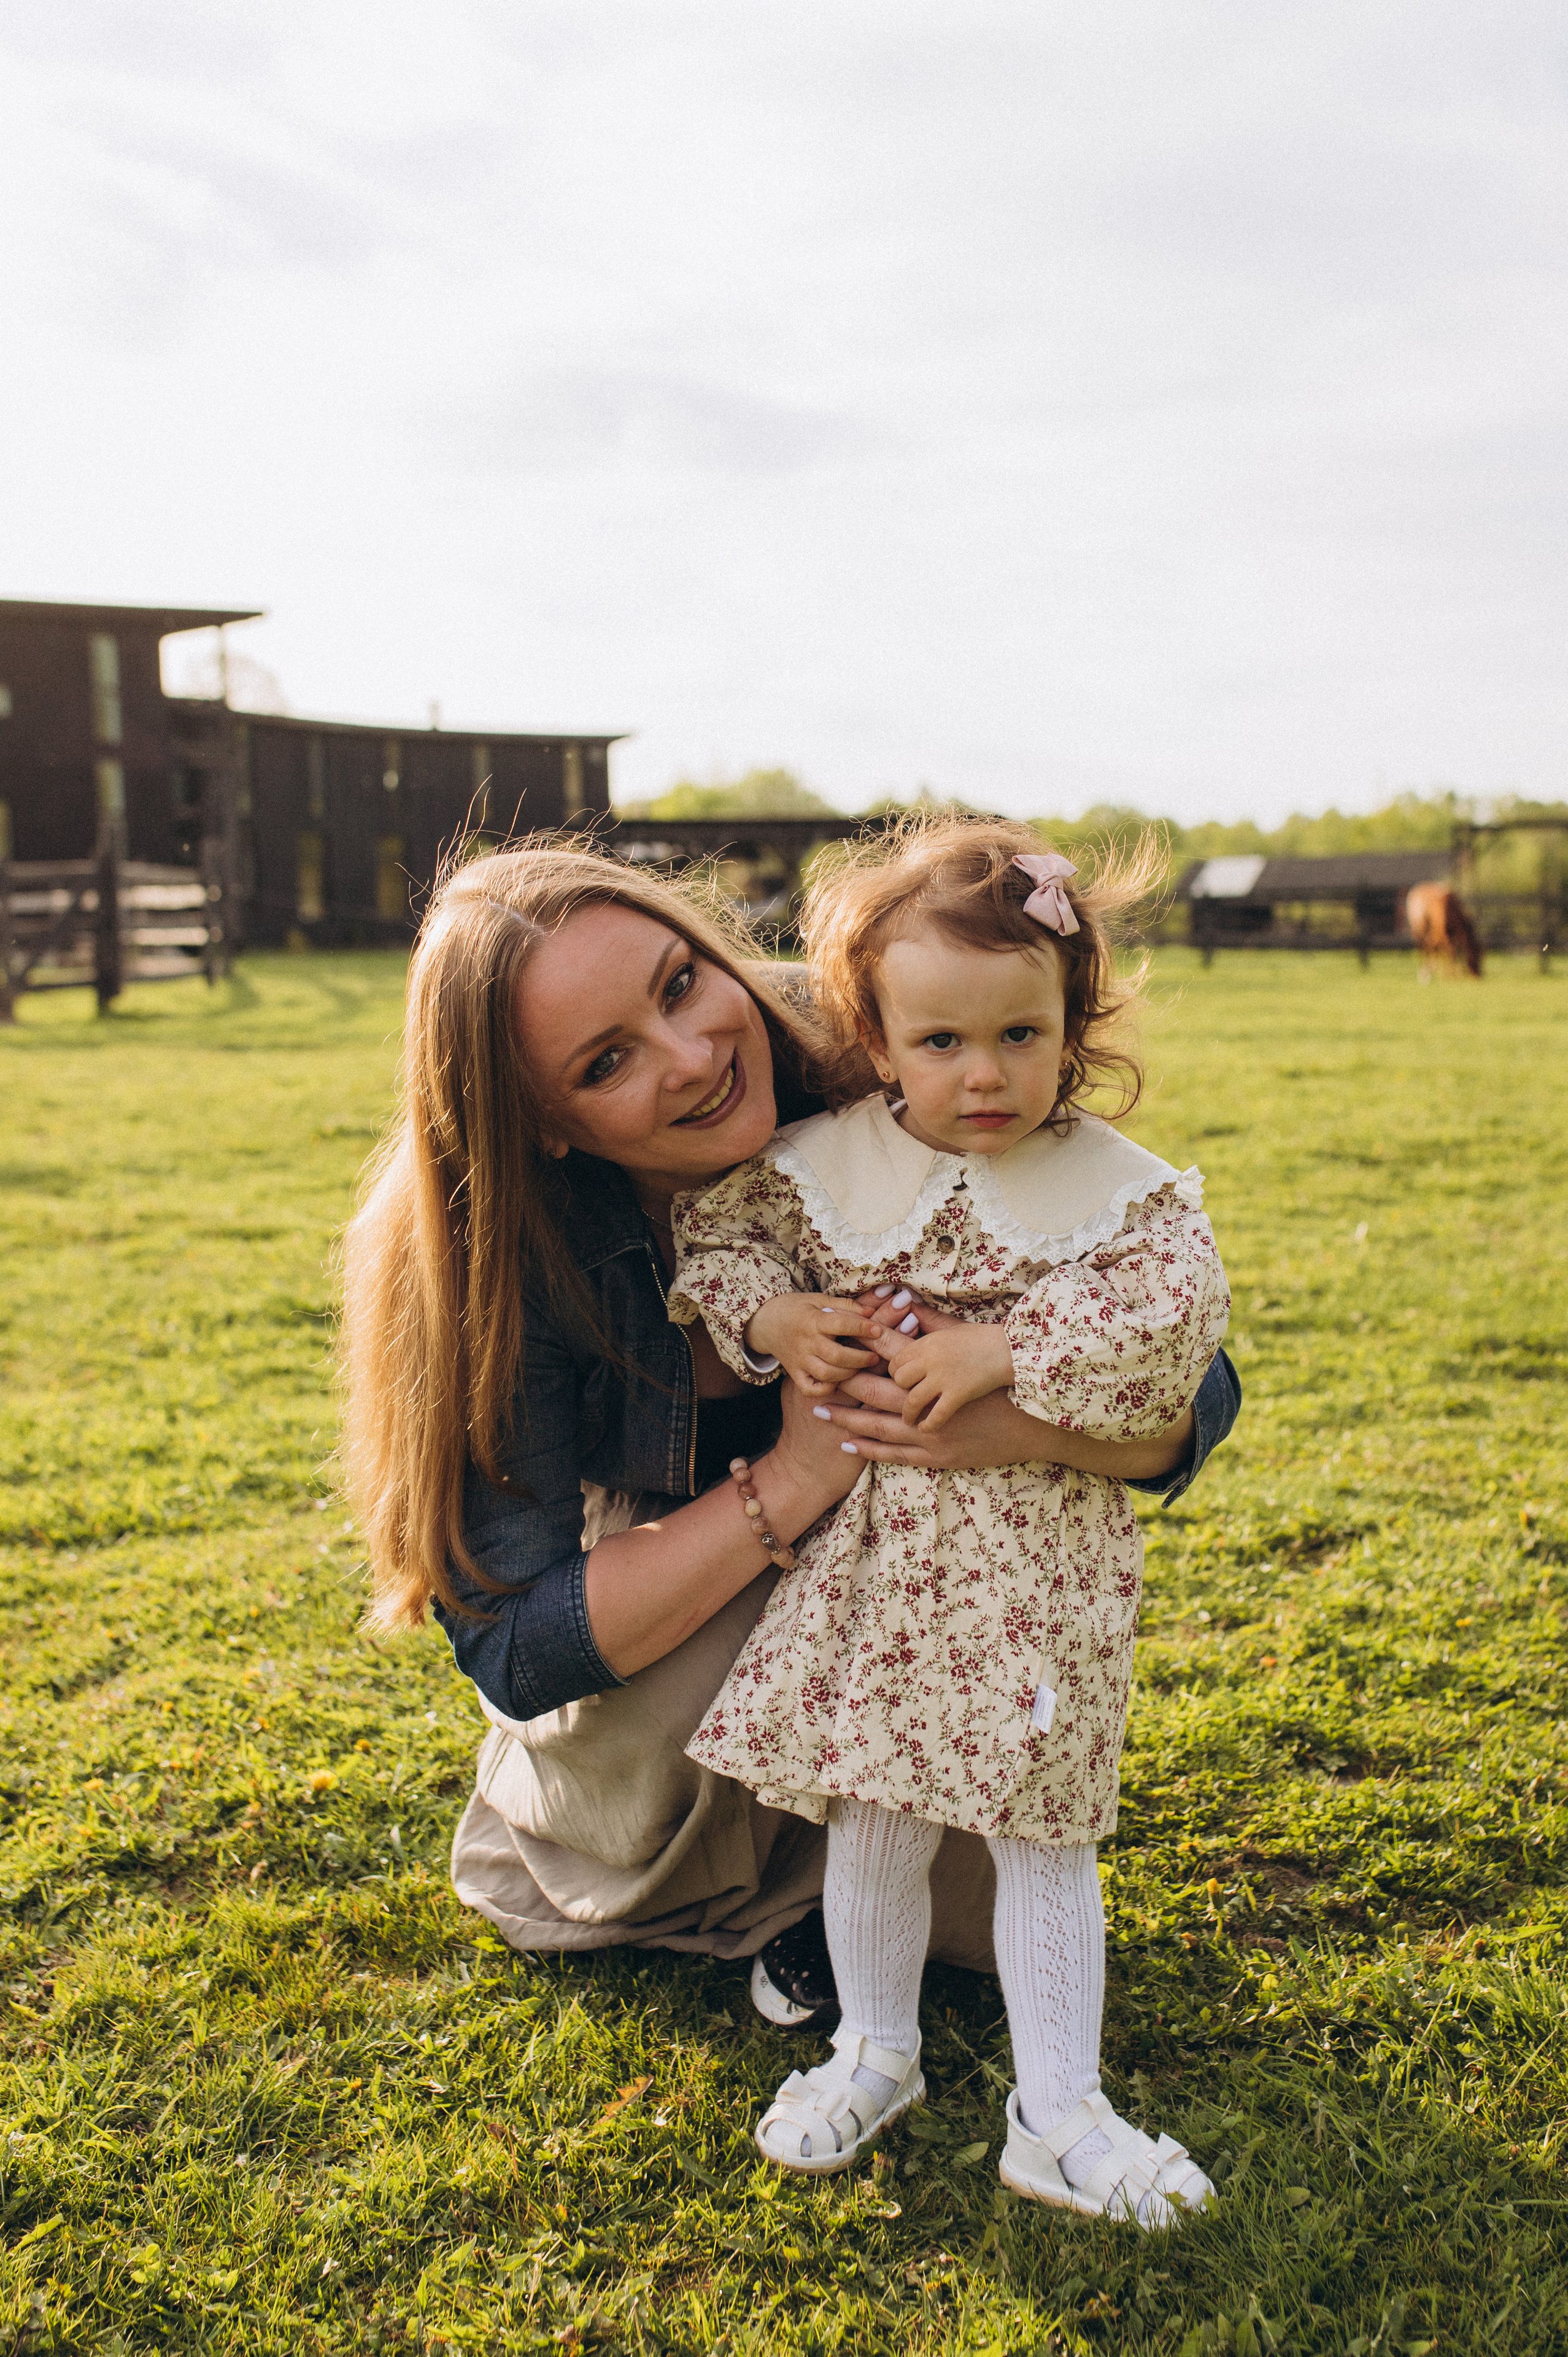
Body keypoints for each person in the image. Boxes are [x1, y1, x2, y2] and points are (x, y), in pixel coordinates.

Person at [339, 838, 1240, 2031]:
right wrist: (798, 1475)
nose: (692, 1056)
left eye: (678, 984)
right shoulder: (495, 1251)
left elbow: (1193, 1385)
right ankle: (756, 1878)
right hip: (686, 1592)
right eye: (606, 1062)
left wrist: (994, 1420)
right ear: (544, 1124)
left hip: (932, 1539)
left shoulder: (890, 1036)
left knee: (966, 1856)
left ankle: (842, 1898)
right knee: (761, 1660)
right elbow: (514, 1646)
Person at [668, 817, 1225, 2223]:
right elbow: (720, 1248)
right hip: (875, 1569)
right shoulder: (820, 1167)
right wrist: (780, 1314)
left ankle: (1060, 2112)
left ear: (1069, 1025)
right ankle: (876, 2048)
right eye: (938, 1044)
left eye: (1020, 1037)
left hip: (1035, 1572)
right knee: (875, 1815)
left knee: (1045, 1835)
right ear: (876, 1032)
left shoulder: (1117, 1191)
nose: (983, 1078)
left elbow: (1172, 1329)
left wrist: (1001, 1351)